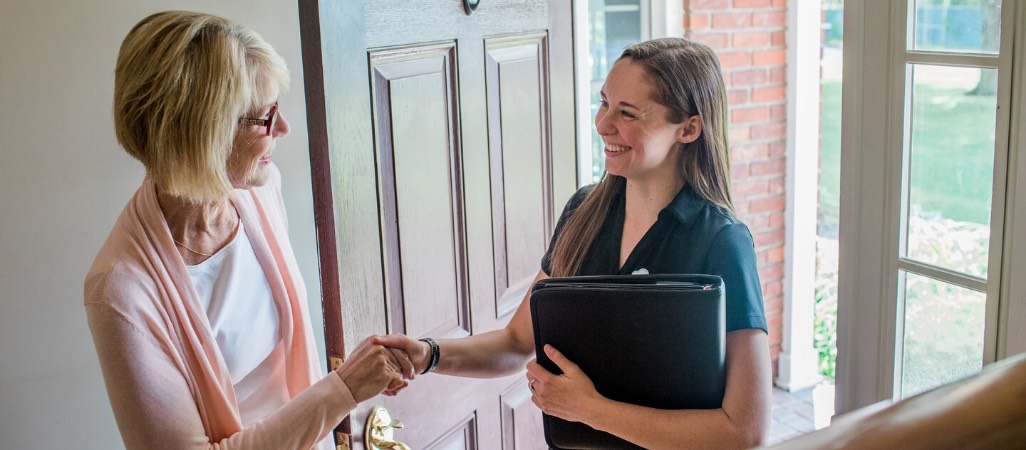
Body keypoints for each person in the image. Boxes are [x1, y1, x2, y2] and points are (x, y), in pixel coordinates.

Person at [377, 37, 771, 449]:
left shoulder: (722, 242)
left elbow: (745, 433)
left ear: (688, 128)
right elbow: (517, 343)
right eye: (604, 103)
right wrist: (428, 354)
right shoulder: (584, 211)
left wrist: (589, 409)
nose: (603, 124)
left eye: (627, 113)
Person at [84, 11, 413, 449]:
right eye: (264, 117)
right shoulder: (120, 292)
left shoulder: (259, 193)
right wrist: (343, 390)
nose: (284, 127)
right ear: (201, 133)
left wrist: (350, 382)